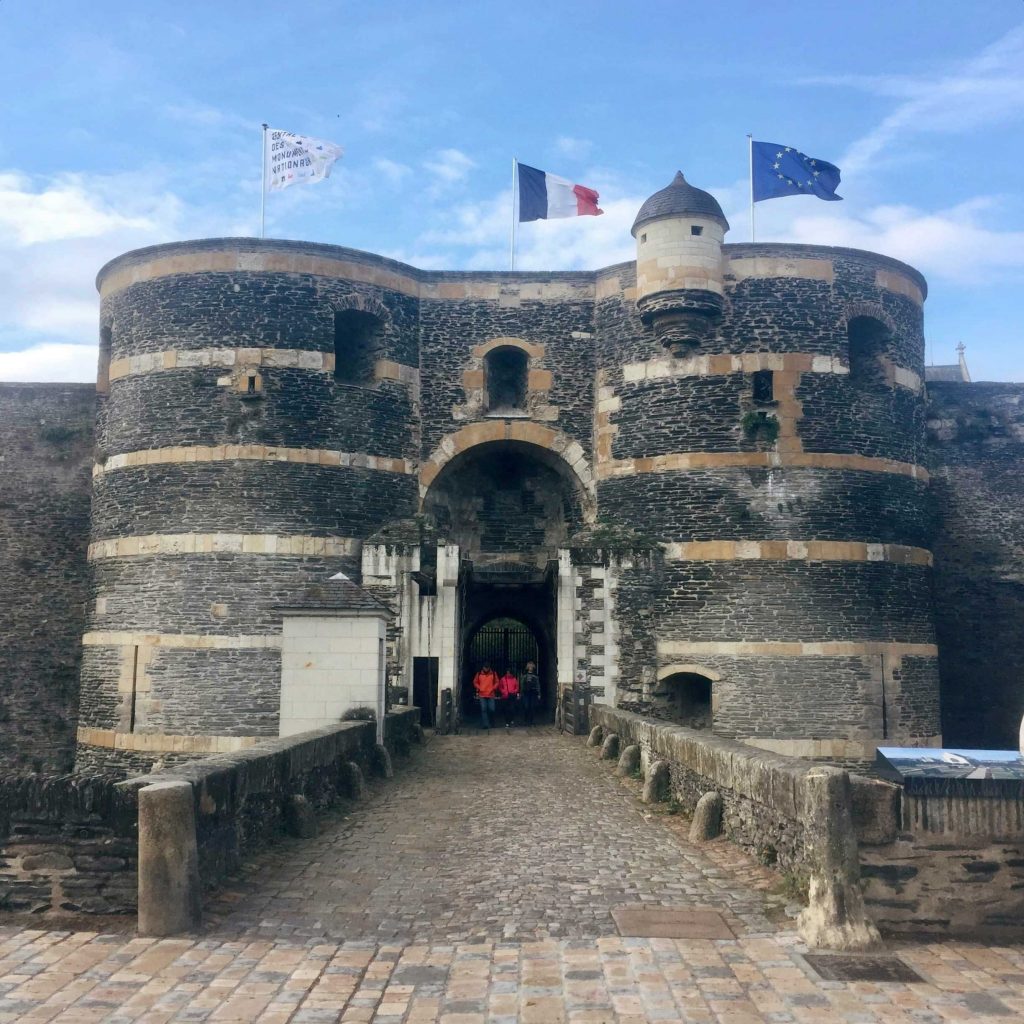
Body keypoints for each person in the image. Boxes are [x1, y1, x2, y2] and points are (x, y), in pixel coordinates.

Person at [472, 662, 500, 730]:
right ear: (483, 667)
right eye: (485, 667)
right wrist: (479, 687)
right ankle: (486, 724)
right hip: (482, 694)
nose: (486, 669)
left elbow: (497, 682)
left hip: (491, 694)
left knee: (492, 709)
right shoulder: (479, 674)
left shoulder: (493, 673)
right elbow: (475, 682)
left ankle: (492, 721)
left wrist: (493, 688)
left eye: (487, 667)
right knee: (483, 709)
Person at [520, 661, 541, 726]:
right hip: (526, 693)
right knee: (526, 706)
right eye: (529, 666)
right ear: (527, 667)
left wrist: (539, 693)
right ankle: (526, 720)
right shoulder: (524, 675)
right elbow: (522, 684)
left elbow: (538, 685)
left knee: (532, 707)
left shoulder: (535, 676)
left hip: (533, 693)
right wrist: (521, 692)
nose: (530, 668)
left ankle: (531, 721)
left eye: (531, 666)